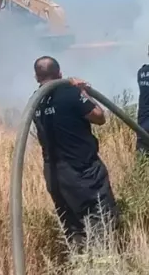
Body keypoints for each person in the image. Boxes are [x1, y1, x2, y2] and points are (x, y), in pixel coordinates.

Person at [31, 55, 120, 251]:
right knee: (100, 218)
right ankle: (102, 268)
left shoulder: (35, 101)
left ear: (37, 77)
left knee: (72, 226)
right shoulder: (70, 94)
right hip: (83, 171)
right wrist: (82, 91)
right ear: (60, 73)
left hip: (55, 175)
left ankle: (79, 266)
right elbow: (99, 117)